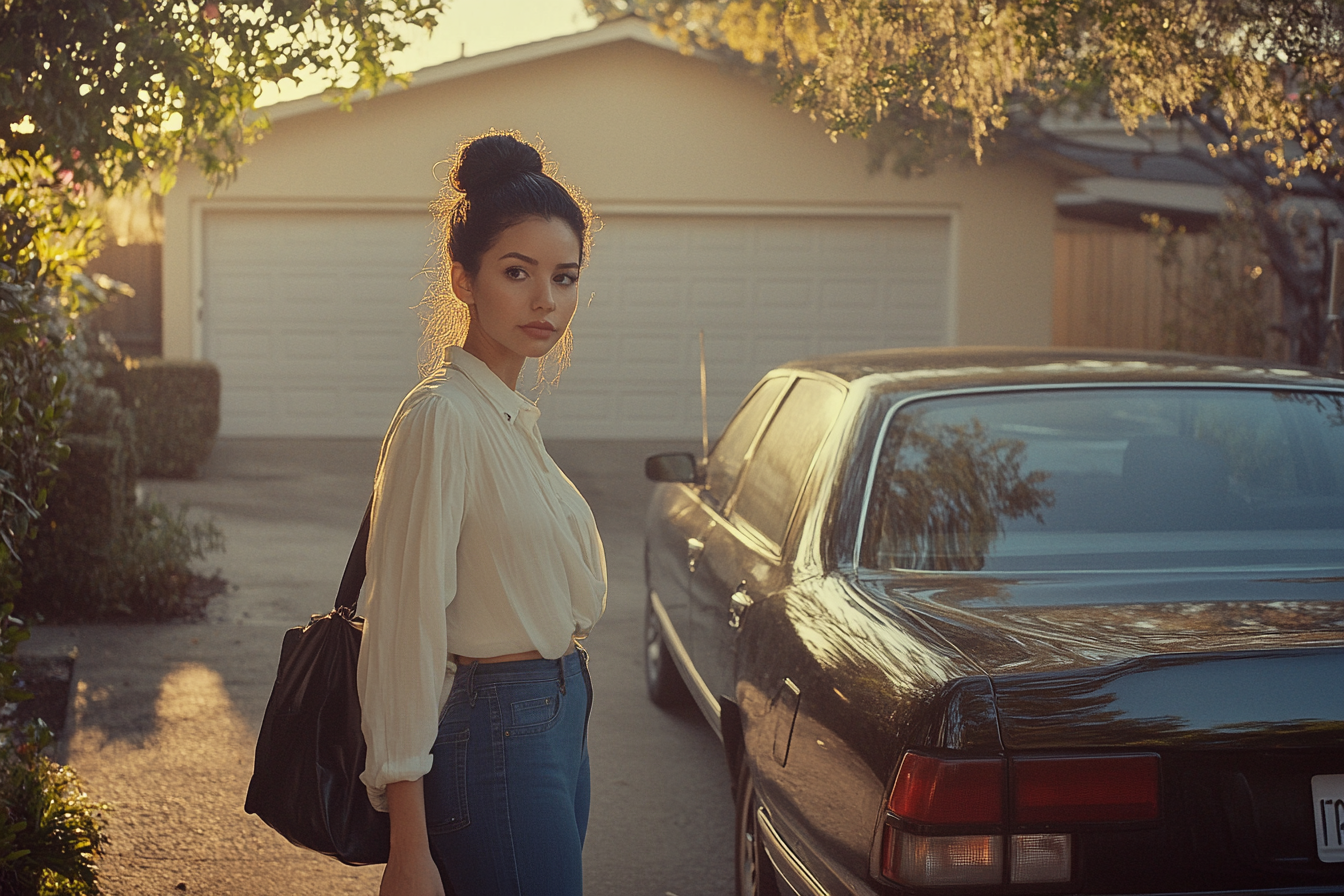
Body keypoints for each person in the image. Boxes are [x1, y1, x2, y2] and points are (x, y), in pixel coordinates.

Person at [356, 131, 607, 896]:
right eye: (517, 272)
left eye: (564, 277)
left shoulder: (503, 413)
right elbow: (402, 626)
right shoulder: (444, 418)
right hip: (500, 733)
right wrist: (408, 847)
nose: (546, 300)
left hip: (556, 723)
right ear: (463, 280)